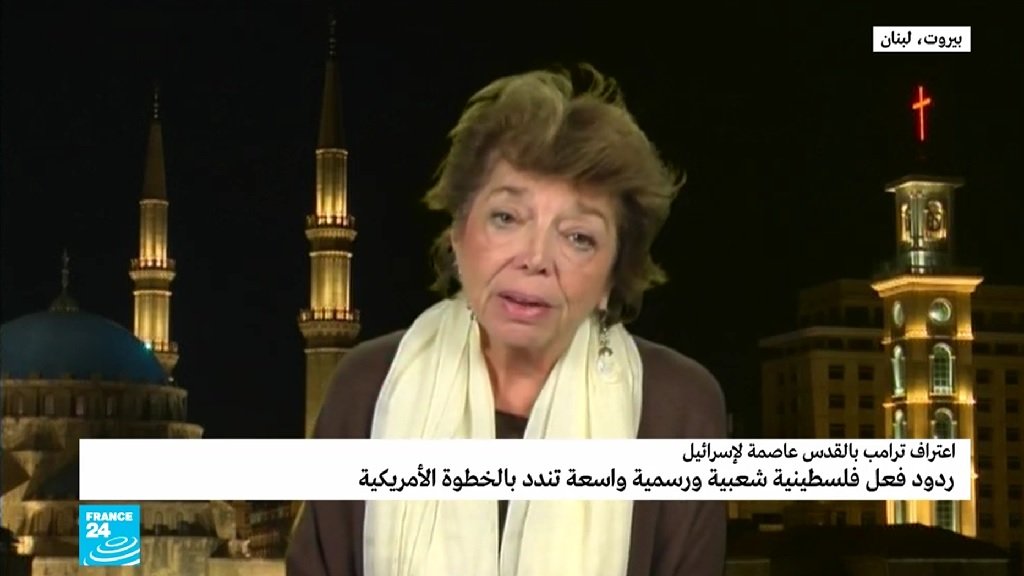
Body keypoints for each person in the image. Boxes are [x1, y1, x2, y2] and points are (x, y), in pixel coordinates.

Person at [286, 64, 727, 576]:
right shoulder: (368, 387)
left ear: (614, 273)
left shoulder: (676, 411)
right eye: (507, 218)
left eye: (578, 237)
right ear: (458, 235)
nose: (535, 258)